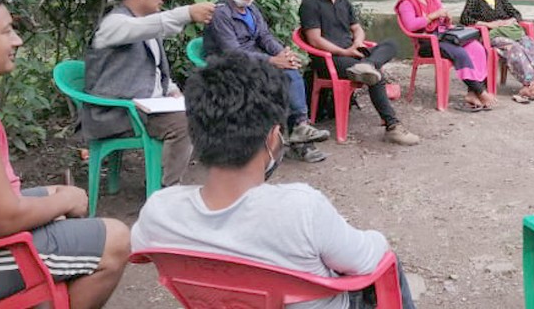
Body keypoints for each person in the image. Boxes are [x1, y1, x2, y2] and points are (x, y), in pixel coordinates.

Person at [131, 53, 418, 309]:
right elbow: (370, 258)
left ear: (195, 133)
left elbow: (138, 250)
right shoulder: (301, 208)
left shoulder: (159, 211)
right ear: (272, 136)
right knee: (382, 262)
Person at [0, 0, 130, 308]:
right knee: (116, 239)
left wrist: (54, 197)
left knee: (54, 195)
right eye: (6, 32)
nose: (17, 40)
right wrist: (65, 200)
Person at [84, 0, 215, 187]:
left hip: (146, 107)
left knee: (200, 109)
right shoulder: (114, 23)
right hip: (115, 113)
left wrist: (173, 91)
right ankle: (167, 188)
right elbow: (148, 27)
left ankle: (160, 178)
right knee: (186, 122)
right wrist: (187, 13)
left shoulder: (145, 24)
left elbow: (154, 71)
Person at [204, 0, 329, 163]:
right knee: (279, 75)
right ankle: (297, 135)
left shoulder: (252, 9)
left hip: (254, 61)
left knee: (290, 68)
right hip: (228, 67)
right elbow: (233, 53)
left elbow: (265, 37)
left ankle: (299, 129)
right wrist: (272, 60)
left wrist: (283, 53)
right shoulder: (221, 13)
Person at [301, 0, 419, 146]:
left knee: (391, 44)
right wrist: (345, 51)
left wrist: (357, 43)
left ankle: (368, 65)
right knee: (375, 76)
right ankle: (392, 126)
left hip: (352, 55)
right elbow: (315, 40)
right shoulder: (310, 3)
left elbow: (357, 28)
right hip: (329, 59)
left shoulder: (343, 1)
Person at [396, 0, 496, 111]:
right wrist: (432, 16)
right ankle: (481, 92)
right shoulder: (406, 2)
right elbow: (411, 25)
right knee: (460, 53)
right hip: (427, 42)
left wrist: (445, 18)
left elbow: (442, 21)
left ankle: (472, 93)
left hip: (443, 36)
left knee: (477, 48)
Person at [460, 0, 534, 103]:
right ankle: (529, 84)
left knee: (529, 43)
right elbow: (465, 18)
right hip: (490, 36)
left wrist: (508, 22)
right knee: (513, 47)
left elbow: (516, 14)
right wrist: (489, 24)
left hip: (508, 31)